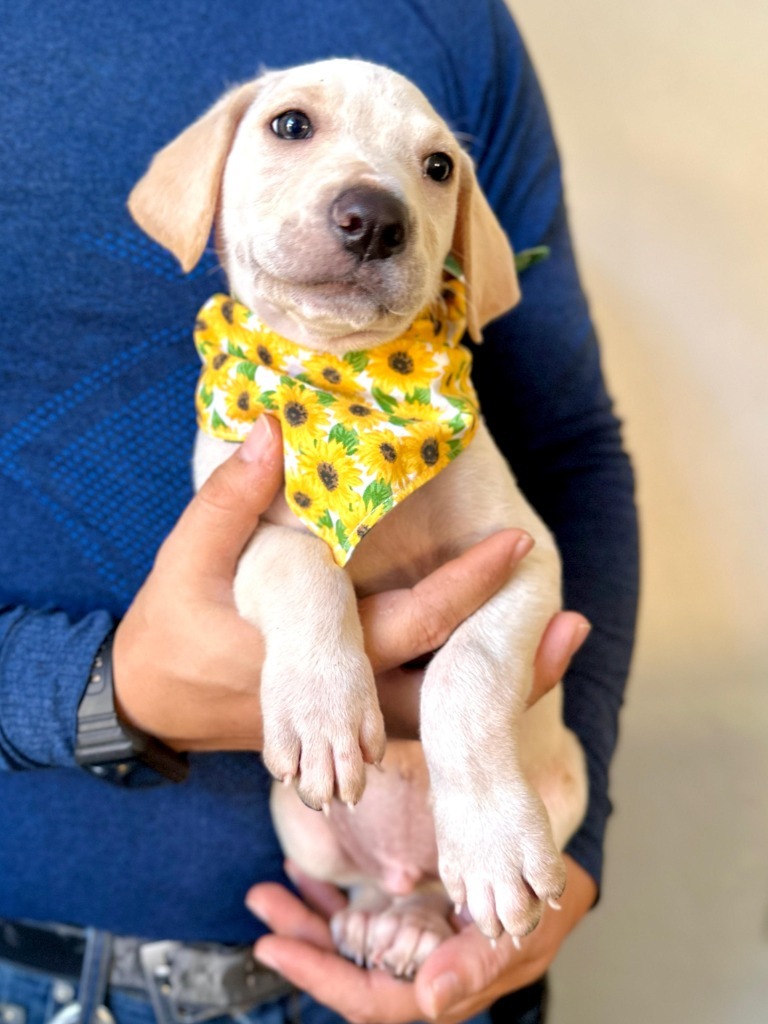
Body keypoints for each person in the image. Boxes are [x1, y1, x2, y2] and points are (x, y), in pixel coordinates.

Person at [0, 1, 638, 1023]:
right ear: (200, 182)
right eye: (295, 126)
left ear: (459, 242)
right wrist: (102, 690)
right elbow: (273, 552)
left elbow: (570, 465)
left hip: (440, 930)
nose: (370, 202)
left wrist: (571, 840)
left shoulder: (454, 26)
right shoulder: (247, 407)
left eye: (431, 171)